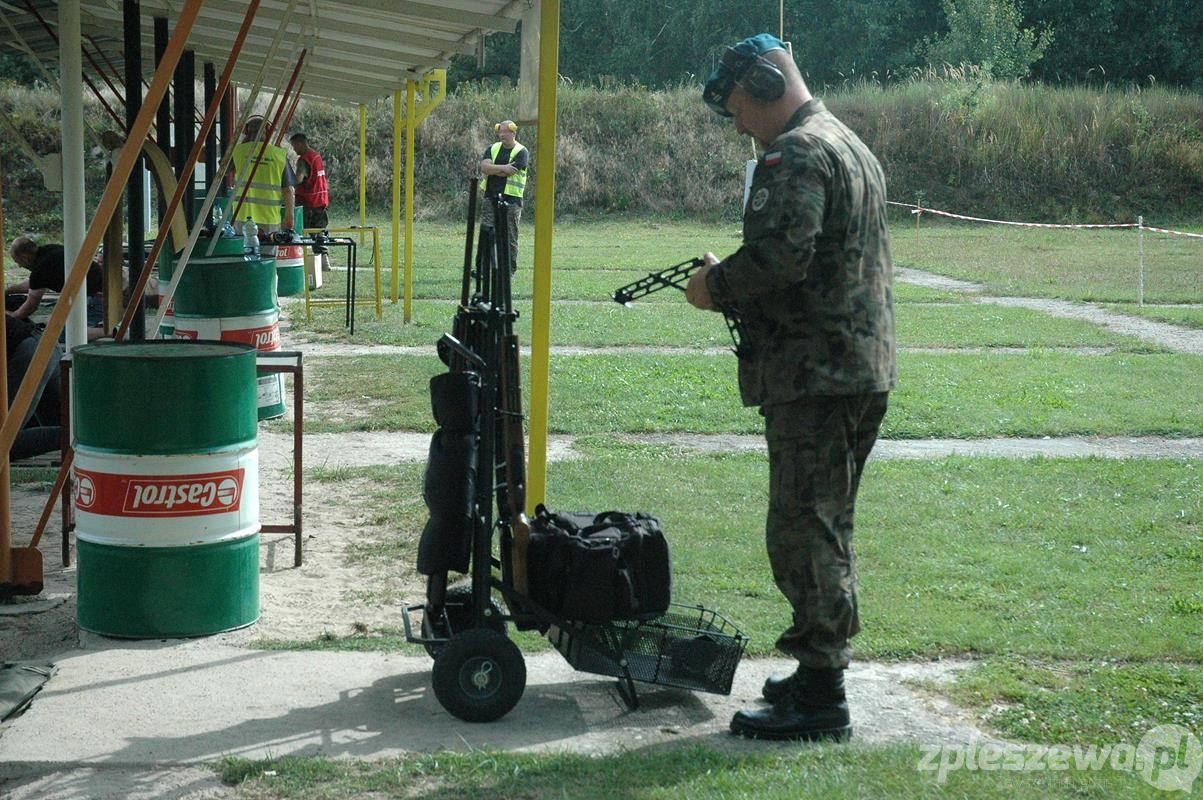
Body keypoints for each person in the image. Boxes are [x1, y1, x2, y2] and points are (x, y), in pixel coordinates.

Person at [686, 33, 896, 742]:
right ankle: (814, 673)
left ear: (766, 86)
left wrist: (714, 286)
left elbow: (782, 258)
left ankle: (822, 696)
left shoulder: (797, 152)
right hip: (853, 368)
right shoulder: (849, 145)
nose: (740, 127)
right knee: (823, 523)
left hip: (816, 375)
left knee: (804, 530)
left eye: (739, 109)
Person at [7, 235, 106, 339]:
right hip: (101, 294)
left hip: (97, 299)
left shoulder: (41, 268)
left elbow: (30, 307)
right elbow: (34, 285)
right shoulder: (50, 251)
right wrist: (6, 291)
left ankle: (112, 331)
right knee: (55, 326)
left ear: (24, 258)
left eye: (17, 262)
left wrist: (11, 316)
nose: (19, 266)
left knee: (63, 334)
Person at [229, 116, 296, 256]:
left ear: (246, 131)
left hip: (242, 218)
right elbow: (288, 190)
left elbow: (222, 172)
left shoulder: (238, 152)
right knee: (267, 262)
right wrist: (290, 217)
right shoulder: (278, 155)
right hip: (270, 220)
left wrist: (243, 144)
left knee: (243, 260)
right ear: (268, 132)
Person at [5, 312, 63, 461]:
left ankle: (82, 437)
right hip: (43, 341)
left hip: (30, 353)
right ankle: (85, 436)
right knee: (62, 423)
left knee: (4, 441)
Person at [478, 119, 529, 274]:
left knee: (510, 236)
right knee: (487, 233)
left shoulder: (521, 151)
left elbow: (510, 172)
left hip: (512, 200)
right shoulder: (492, 148)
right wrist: (503, 168)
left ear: (514, 133)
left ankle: (509, 271)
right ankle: (482, 269)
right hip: (490, 197)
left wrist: (494, 169)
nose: (502, 135)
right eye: (500, 131)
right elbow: (484, 167)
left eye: (506, 132)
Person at [288, 132, 330, 232]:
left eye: (294, 146)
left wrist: (287, 179)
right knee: (319, 234)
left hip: (308, 203)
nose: (294, 149)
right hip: (321, 201)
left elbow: (298, 179)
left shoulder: (304, 160)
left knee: (306, 234)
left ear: (300, 144)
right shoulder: (316, 156)